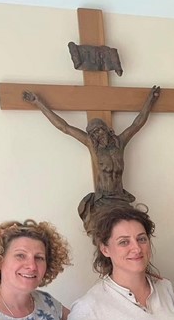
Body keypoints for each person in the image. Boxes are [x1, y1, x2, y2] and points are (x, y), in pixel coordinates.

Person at [22, 87, 161, 225]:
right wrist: (38, 103)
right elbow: (64, 127)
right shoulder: (92, 146)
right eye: (93, 134)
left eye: (99, 131)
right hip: (103, 199)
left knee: (131, 225)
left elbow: (137, 124)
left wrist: (150, 100)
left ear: (107, 130)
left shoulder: (120, 142)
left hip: (120, 198)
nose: (98, 135)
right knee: (106, 229)